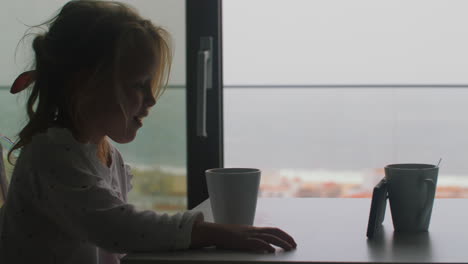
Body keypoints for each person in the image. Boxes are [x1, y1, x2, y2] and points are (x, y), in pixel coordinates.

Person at [0, 1, 297, 263]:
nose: (151, 99)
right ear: (86, 84)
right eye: (138, 85)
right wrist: (217, 233)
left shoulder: (104, 153)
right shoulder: (50, 156)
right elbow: (118, 228)